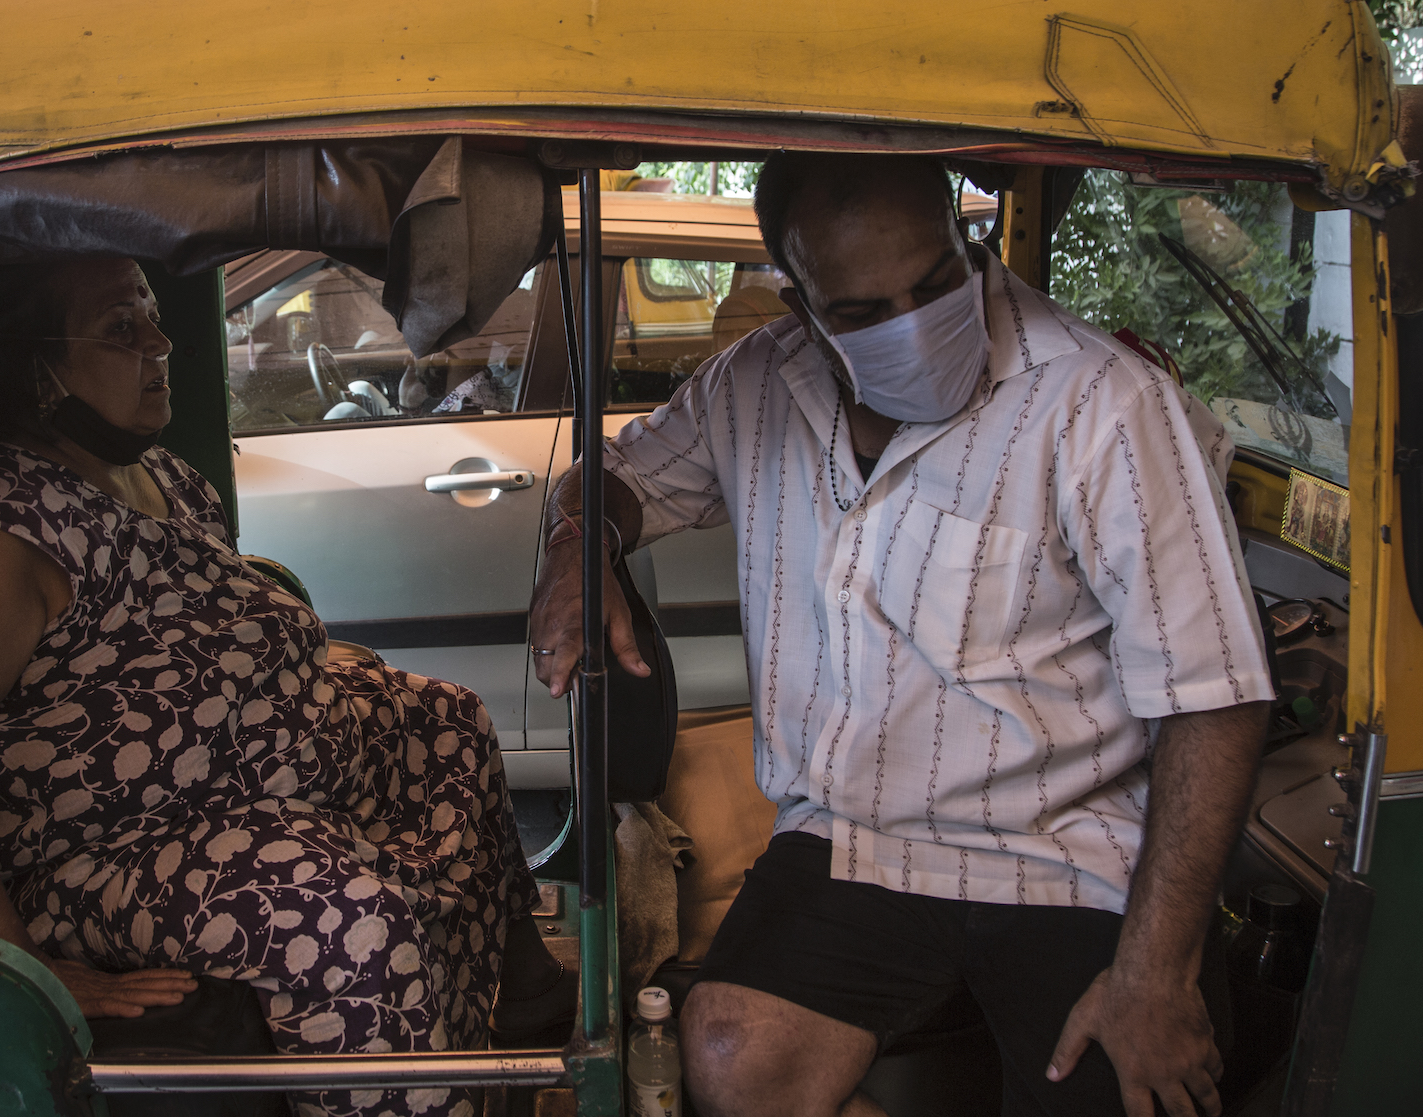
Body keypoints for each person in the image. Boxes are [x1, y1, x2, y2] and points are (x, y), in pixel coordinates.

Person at [528, 153, 1272, 1117]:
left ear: (966, 237)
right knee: (728, 1054)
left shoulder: (1104, 401)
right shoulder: (754, 383)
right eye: (864, 311)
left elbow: (1216, 696)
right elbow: (620, 478)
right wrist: (578, 542)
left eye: (935, 284)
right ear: (802, 309)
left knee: (1131, 1088)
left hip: (1067, 850)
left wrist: (1157, 973)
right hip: (852, 838)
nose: (913, 326)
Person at [0, 256, 569, 1117]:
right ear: (38, 369)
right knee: (342, 918)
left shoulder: (156, 472)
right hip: (101, 850)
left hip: (232, 795)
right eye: (121, 329)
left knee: (449, 720)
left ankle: (519, 1004)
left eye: (150, 313)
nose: (161, 342)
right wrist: (17, 964)